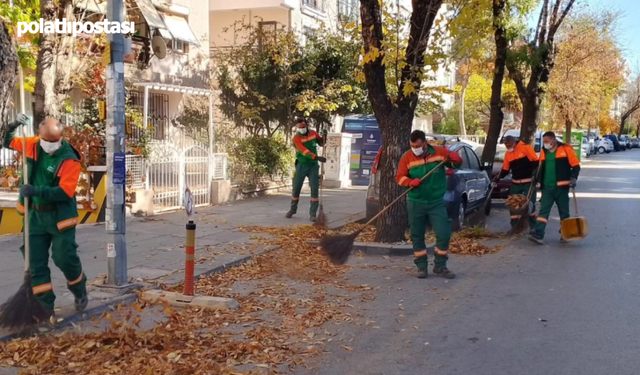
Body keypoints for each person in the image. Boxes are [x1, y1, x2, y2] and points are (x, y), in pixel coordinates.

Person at [3, 115, 88, 313]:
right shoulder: (32, 145)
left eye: (54, 142)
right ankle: (44, 307)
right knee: (35, 262)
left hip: (59, 218)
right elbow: (7, 141)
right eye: (46, 141)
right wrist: (12, 126)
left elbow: (64, 192)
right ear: (39, 136)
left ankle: (79, 289)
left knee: (64, 258)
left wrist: (36, 191)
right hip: (35, 216)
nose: (49, 145)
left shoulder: (69, 158)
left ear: (61, 138)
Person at [396, 130, 463, 279]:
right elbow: (399, 177)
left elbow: (454, 164)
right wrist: (409, 182)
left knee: (444, 234)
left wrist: (456, 159)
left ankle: (440, 265)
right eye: (412, 146)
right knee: (417, 235)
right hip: (416, 201)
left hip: (436, 202)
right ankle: (421, 266)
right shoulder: (407, 157)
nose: (415, 149)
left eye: (418, 146)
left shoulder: (439, 152)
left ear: (425, 143)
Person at [528, 131, 580, 245]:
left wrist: (573, 178)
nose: (545, 143)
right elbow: (540, 167)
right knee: (543, 211)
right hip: (547, 187)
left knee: (564, 212)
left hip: (562, 187)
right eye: (544, 141)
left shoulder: (566, 150)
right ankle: (539, 234)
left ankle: (565, 234)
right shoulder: (543, 152)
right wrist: (535, 177)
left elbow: (576, 165)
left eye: (547, 141)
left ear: (553, 140)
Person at [286, 118, 327, 222]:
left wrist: (324, 138)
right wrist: (317, 157)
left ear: (307, 126)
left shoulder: (313, 133)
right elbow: (304, 151)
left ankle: (313, 214)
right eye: (299, 127)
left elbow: (321, 142)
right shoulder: (296, 138)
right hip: (301, 165)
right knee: (296, 188)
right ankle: (292, 209)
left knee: (314, 190)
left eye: (303, 127)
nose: (301, 129)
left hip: (313, 166)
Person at [499, 135, 539, 232]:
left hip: (528, 183)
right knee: (513, 205)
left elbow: (536, 162)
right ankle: (515, 226)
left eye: (509, 145)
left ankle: (532, 226)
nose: (508, 147)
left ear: (515, 142)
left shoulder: (525, 148)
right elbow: (505, 169)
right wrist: (499, 177)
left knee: (530, 204)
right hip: (516, 183)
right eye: (506, 146)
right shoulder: (508, 155)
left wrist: (535, 176)